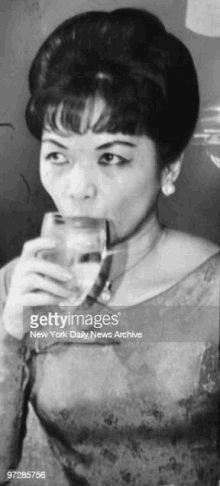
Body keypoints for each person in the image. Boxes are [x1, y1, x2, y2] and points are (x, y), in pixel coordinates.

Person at [0, 7, 220, 485]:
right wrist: (11, 338)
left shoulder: (212, 292)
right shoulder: (17, 286)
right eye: (58, 154)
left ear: (169, 168)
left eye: (111, 157)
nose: (77, 187)